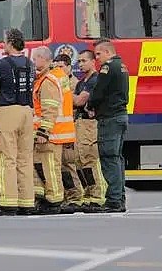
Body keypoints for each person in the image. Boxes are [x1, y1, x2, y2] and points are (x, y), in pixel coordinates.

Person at [0, 28, 35, 216]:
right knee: (25, 158)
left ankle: (8, 202)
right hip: (27, 111)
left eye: (5, 41)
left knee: (7, 157)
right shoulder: (30, 64)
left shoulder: (3, 64)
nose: (3, 44)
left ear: (11, 43)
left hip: (8, 111)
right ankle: (27, 201)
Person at [87, 39, 129, 212]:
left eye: (98, 54)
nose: (96, 58)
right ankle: (119, 198)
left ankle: (113, 200)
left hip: (109, 118)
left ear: (107, 52)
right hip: (120, 116)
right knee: (117, 158)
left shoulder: (107, 68)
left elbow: (98, 92)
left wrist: (90, 105)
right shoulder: (122, 66)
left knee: (109, 158)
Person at [32, 47, 76, 214]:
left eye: (36, 58)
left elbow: (49, 109)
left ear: (44, 59)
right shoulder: (57, 76)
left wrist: (43, 132)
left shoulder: (49, 80)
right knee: (53, 166)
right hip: (58, 131)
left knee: (50, 167)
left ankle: (54, 200)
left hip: (51, 133)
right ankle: (54, 198)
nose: (34, 61)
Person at [73, 50, 108, 212]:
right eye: (79, 61)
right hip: (79, 123)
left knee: (90, 158)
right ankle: (88, 194)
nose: (80, 64)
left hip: (89, 124)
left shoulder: (94, 80)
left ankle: (98, 195)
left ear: (93, 61)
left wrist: (69, 95)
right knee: (80, 160)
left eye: (84, 61)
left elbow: (79, 100)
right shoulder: (81, 83)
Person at [52, 54, 85, 213]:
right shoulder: (56, 82)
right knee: (63, 165)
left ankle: (76, 195)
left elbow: (74, 104)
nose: (58, 69)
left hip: (70, 130)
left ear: (69, 67)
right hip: (60, 130)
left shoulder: (72, 84)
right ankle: (69, 195)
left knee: (70, 164)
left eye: (62, 66)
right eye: (56, 66)